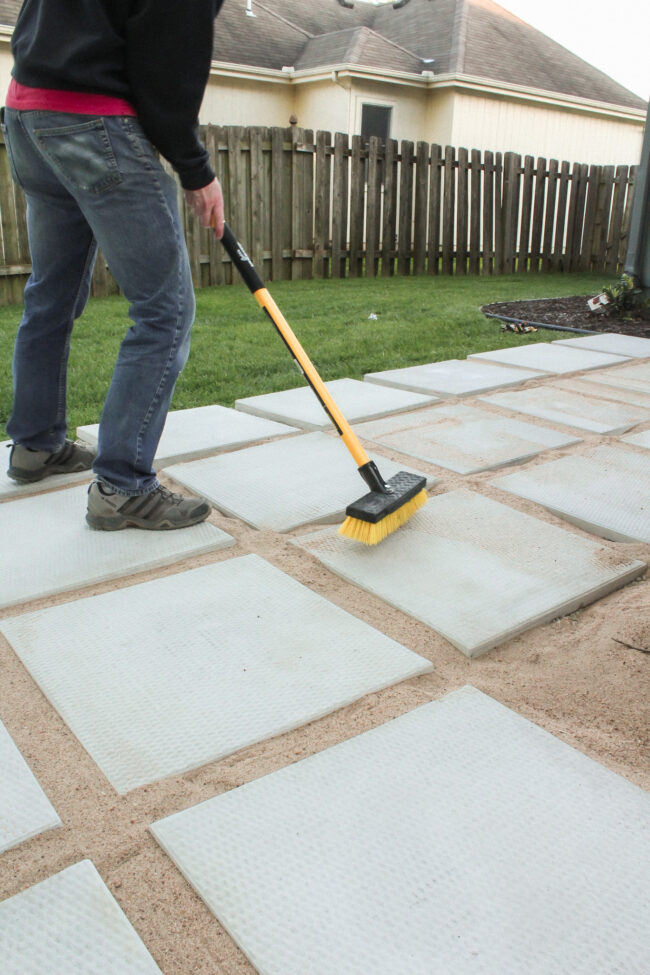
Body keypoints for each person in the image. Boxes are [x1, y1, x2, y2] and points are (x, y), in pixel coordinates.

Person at [2, 0, 225, 530]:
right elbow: (168, 68)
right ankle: (123, 487)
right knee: (164, 313)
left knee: (49, 293)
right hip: (91, 120)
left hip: (27, 112)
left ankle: (35, 446)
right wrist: (195, 170)